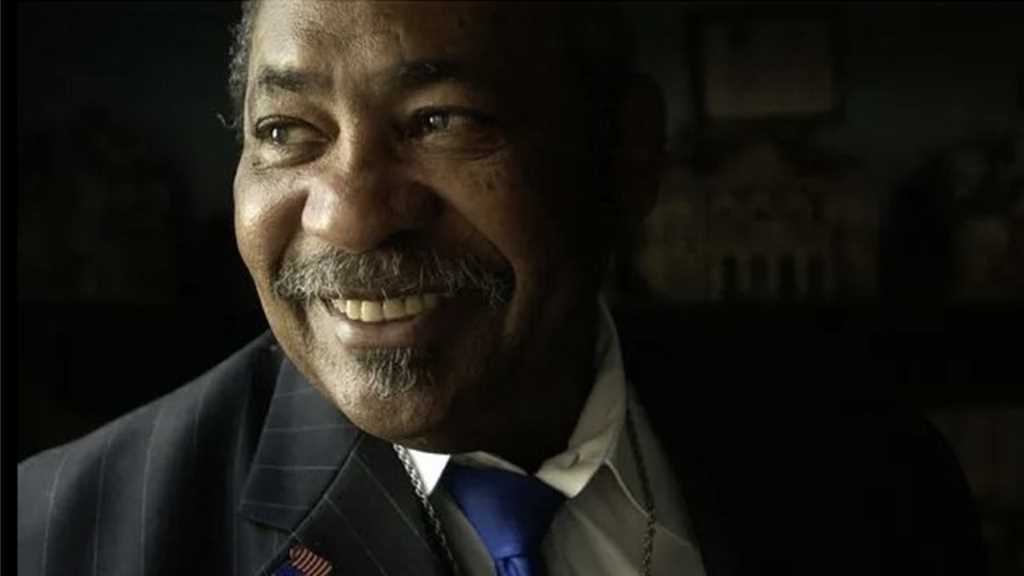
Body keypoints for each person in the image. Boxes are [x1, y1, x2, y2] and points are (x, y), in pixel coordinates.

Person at [18, 2, 985, 575]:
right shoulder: (62, 535)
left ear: (626, 157)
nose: (350, 217)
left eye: (441, 120)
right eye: (285, 132)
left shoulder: (870, 474)